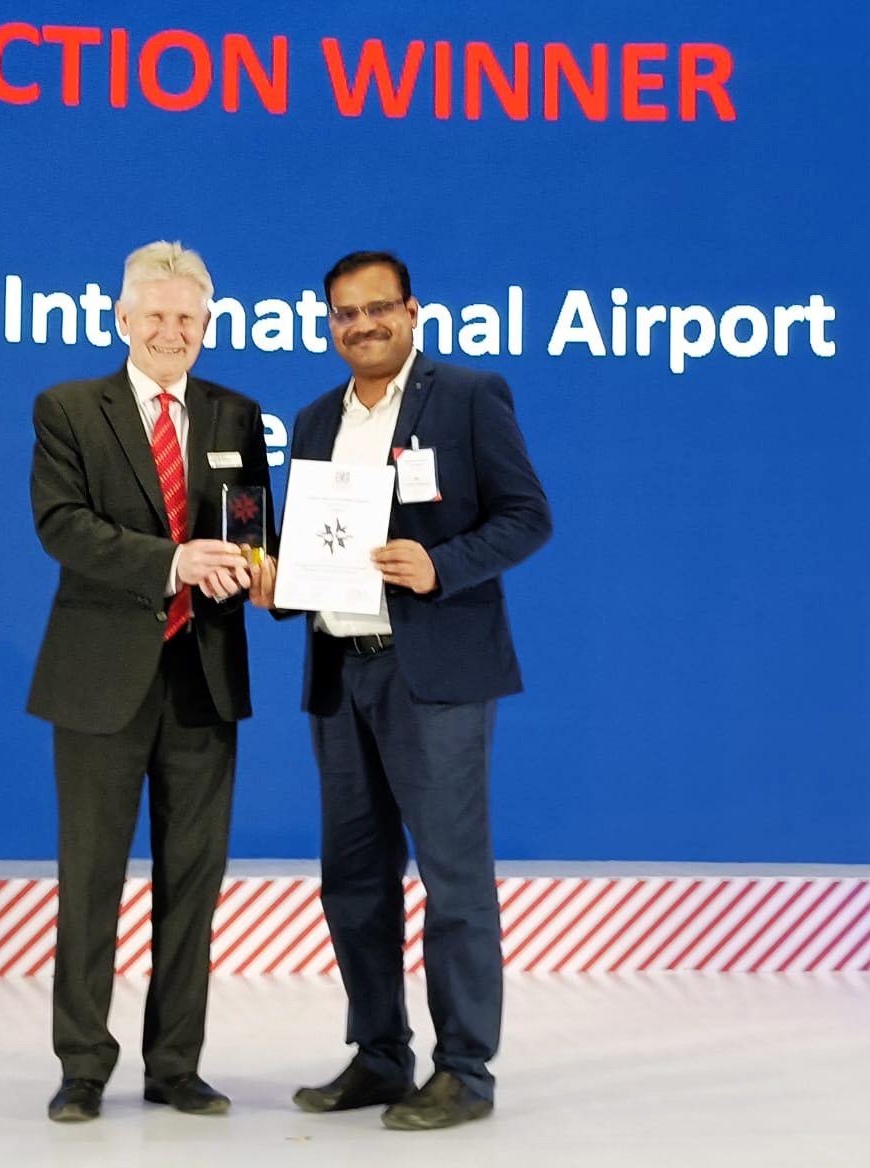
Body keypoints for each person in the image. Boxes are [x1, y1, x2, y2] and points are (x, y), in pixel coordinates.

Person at [252, 250, 552, 1130]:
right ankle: (380, 1054)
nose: (362, 326)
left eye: (378, 308)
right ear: (330, 324)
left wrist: (439, 565)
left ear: (412, 312)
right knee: (353, 880)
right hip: (342, 674)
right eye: (344, 314)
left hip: (437, 677)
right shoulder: (312, 420)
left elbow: (528, 516)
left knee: (454, 880)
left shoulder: (466, 396)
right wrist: (279, 584)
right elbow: (312, 544)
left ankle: (465, 1069)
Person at [27, 240, 271, 1123]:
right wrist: (173, 562)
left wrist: (252, 565)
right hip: (98, 681)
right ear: (123, 320)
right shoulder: (67, 409)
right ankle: (83, 1064)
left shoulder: (236, 414)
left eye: (188, 318)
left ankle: (176, 1064)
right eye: (156, 316)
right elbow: (62, 527)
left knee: (193, 883)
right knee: (89, 878)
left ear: (207, 326)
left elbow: (248, 525)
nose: (172, 331)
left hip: (204, 680)